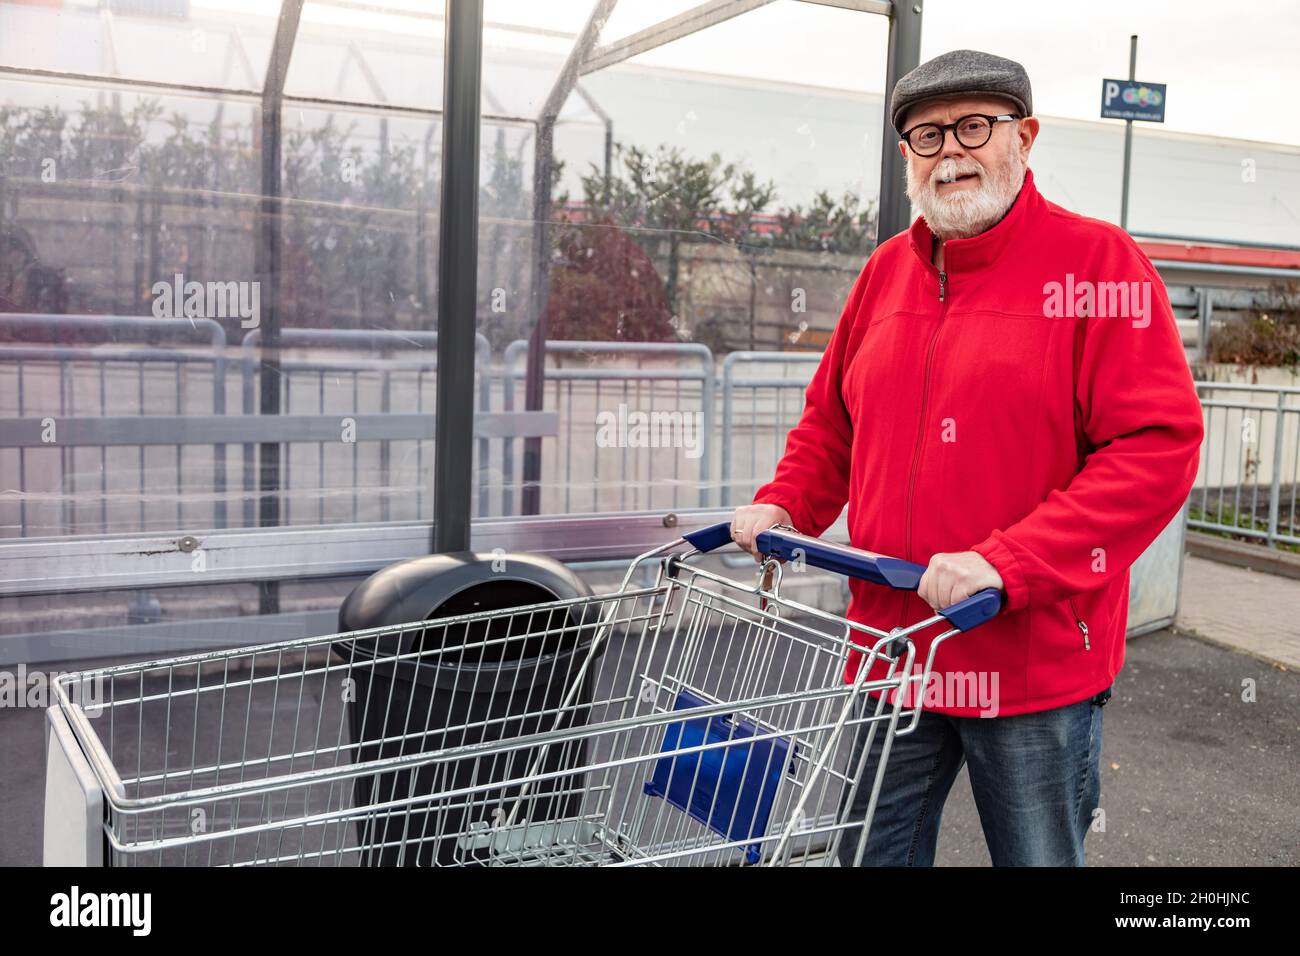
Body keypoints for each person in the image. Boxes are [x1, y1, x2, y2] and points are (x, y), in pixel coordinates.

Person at [729, 49, 1204, 866]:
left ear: (1025, 137)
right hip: (894, 648)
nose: (950, 151)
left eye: (974, 127)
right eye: (925, 135)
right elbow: (832, 425)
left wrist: (1008, 562)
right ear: (907, 156)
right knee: (870, 857)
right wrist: (786, 503)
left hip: (1031, 661)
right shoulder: (883, 276)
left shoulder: (1098, 268)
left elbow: (1155, 448)